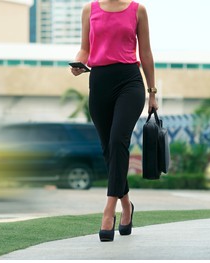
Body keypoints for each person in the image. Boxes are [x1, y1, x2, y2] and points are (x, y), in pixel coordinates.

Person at [70, 0, 158, 242]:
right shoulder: (90, 9)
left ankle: (109, 211)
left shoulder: (137, 10)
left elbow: (146, 52)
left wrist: (152, 92)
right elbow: (85, 49)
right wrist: (78, 63)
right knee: (108, 150)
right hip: (99, 83)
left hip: (129, 81)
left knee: (119, 140)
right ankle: (127, 205)